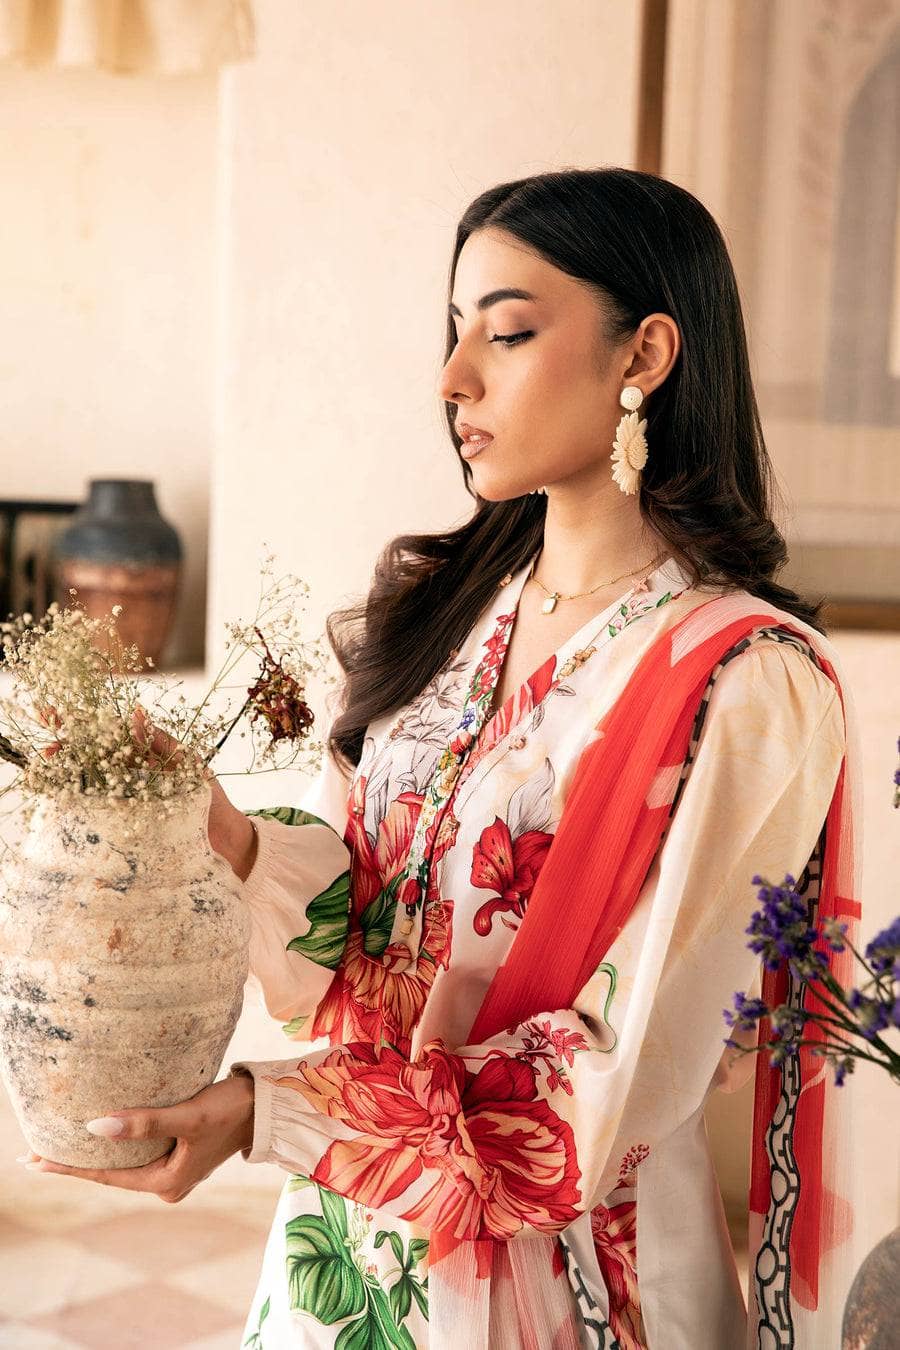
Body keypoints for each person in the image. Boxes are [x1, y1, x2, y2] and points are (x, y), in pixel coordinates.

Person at [23, 168, 862, 1350]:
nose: (453, 378)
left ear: (646, 355)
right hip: (347, 1259)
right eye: (454, 330)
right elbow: (368, 922)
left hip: (561, 1283)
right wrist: (220, 832)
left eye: (508, 332)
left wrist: (267, 1115)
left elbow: (611, 1077)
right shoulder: (442, 609)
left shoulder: (744, 683)